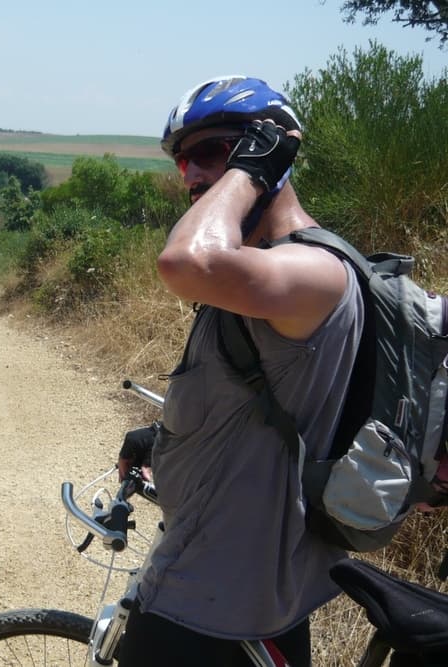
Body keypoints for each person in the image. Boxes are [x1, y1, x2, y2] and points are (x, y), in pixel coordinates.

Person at [115, 75, 365, 667]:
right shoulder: (261, 277)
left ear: (265, 148)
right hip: (221, 590)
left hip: (214, 615)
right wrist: (168, 439)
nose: (194, 176)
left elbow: (185, 261)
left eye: (210, 153)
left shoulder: (313, 271)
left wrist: (251, 170)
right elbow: (257, 402)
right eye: (183, 163)